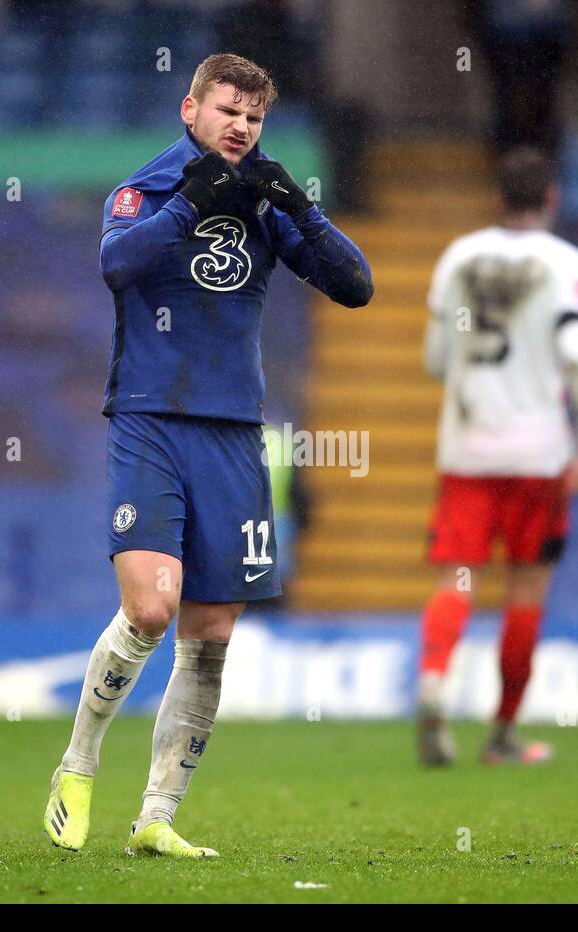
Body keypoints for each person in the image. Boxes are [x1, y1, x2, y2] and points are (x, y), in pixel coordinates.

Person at [45, 53, 372, 858]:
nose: (241, 127)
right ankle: (78, 761)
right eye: (227, 111)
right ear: (189, 108)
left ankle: (156, 814)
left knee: (212, 629)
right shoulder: (145, 188)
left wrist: (300, 205)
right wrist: (194, 201)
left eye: (254, 118)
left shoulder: (263, 198)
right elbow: (119, 266)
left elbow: (355, 285)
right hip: (152, 420)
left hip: (233, 430)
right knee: (151, 606)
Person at [416, 147, 578, 766]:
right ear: (551, 199)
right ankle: (501, 735)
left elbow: (436, 361)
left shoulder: (458, 257)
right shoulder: (568, 264)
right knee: (526, 590)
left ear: (498, 199)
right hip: (539, 454)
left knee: (457, 580)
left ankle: (434, 683)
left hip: (467, 449)